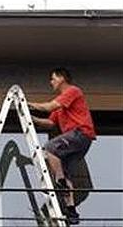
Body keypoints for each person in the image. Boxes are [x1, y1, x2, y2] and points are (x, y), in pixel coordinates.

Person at [28, 67, 96, 225]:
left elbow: (49, 106)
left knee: (50, 148)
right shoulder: (61, 107)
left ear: (62, 78)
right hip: (78, 142)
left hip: (80, 133)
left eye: (53, 79)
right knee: (65, 173)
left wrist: (29, 104)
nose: (51, 82)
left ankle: (60, 182)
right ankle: (71, 211)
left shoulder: (73, 91)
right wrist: (31, 118)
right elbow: (50, 123)